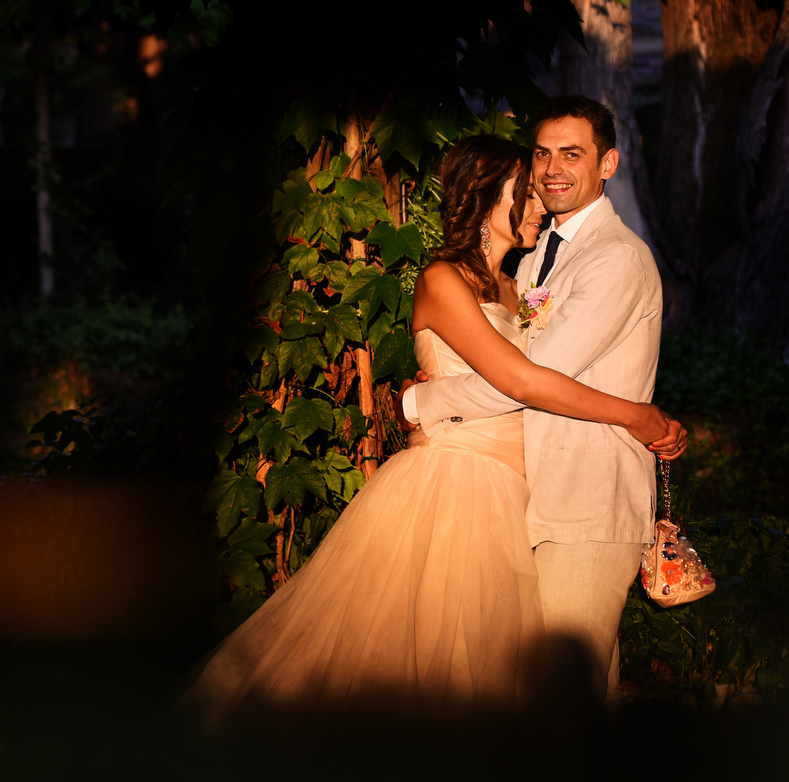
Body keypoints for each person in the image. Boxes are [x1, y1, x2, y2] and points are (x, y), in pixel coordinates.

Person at [176, 132, 684, 730]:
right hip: (458, 486)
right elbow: (520, 380)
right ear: (491, 195)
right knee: (436, 672)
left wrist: (424, 396)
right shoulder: (443, 279)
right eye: (526, 191)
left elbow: (535, 378)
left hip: (519, 490)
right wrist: (635, 414)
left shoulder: (514, 288)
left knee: (515, 683)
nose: (540, 203)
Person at [399, 96, 683, 701]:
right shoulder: (530, 267)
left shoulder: (615, 259)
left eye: (572, 154)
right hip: (523, 496)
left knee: (562, 702)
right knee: (575, 699)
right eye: (543, 155)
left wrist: (426, 402)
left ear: (607, 164)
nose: (551, 170)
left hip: (585, 499)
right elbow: (516, 368)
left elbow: (529, 377)